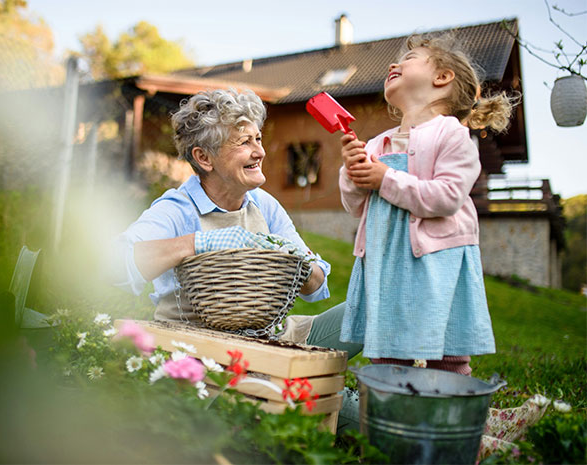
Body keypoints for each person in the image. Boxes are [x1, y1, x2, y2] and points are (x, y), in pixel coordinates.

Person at [108, 88, 362, 361]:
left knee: (373, 310)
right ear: (204, 158)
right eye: (244, 143)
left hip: (273, 340)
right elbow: (116, 265)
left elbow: (315, 286)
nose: (260, 152)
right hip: (201, 350)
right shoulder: (177, 209)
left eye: (259, 139)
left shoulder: (263, 204)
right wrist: (197, 243)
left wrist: (296, 259)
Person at [338, 32, 518, 375]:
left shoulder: (451, 134)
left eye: (408, 60)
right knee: (388, 347)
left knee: (445, 350)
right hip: (385, 257)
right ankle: (390, 408)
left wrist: (384, 179)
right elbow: (355, 205)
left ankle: (451, 410)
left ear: (442, 77)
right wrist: (352, 173)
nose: (395, 64)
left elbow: (448, 197)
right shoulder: (378, 143)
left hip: (438, 260)